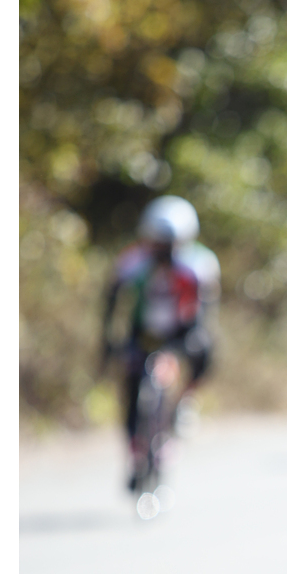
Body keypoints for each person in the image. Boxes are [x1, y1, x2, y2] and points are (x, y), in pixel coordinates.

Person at [99, 195, 220, 490]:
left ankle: (186, 401)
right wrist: (108, 340)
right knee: (131, 383)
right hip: (143, 331)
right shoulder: (134, 261)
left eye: (171, 244)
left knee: (206, 351)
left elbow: (206, 310)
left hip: (181, 331)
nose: (165, 252)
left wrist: (195, 336)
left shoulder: (199, 264)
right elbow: (112, 300)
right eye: (159, 243)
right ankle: (135, 451)